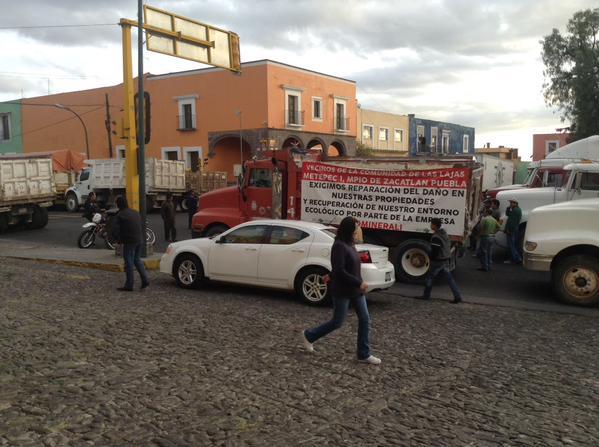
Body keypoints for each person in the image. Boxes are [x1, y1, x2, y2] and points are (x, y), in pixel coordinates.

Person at [301, 216, 381, 365]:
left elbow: (346, 266)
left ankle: (363, 354)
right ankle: (309, 335)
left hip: (356, 290)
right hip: (343, 290)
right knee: (337, 322)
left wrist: (331, 275)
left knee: (365, 319)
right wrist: (359, 282)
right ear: (350, 229)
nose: (358, 229)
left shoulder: (350, 243)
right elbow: (340, 269)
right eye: (356, 227)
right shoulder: (338, 245)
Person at [420, 217, 463, 304]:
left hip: (438, 261)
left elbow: (435, 251)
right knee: (450, 279)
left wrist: (431, 259)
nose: (430, 225)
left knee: (430, 277)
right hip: (445, 259)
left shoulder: (436, 237)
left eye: (431, 224)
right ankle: (457, 296)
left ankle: (426, 295)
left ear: (435, 226)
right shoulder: (444, 234)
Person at [111, 197, 149, 292]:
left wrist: (118, 240)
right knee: (137, 260)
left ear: (118, 204)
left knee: (129, 263)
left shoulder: (120, 215)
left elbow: (115, 230)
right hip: (139, 239)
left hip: (129, 241)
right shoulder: (135, 212)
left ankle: (129, 284)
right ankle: (145, 280)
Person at [504, 198, 522, 264]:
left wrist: (509, 230)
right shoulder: (516, 209)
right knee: (513, 245)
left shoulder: (515, 211)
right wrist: (508, 208)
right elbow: (507, 214)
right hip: (514, 229)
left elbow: (512, 222)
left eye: (512, 202)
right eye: (510, 202)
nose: (510, 204)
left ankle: (515, 259)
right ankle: (517, 258)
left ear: (515, 203)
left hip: (511, 230)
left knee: (511, 245)